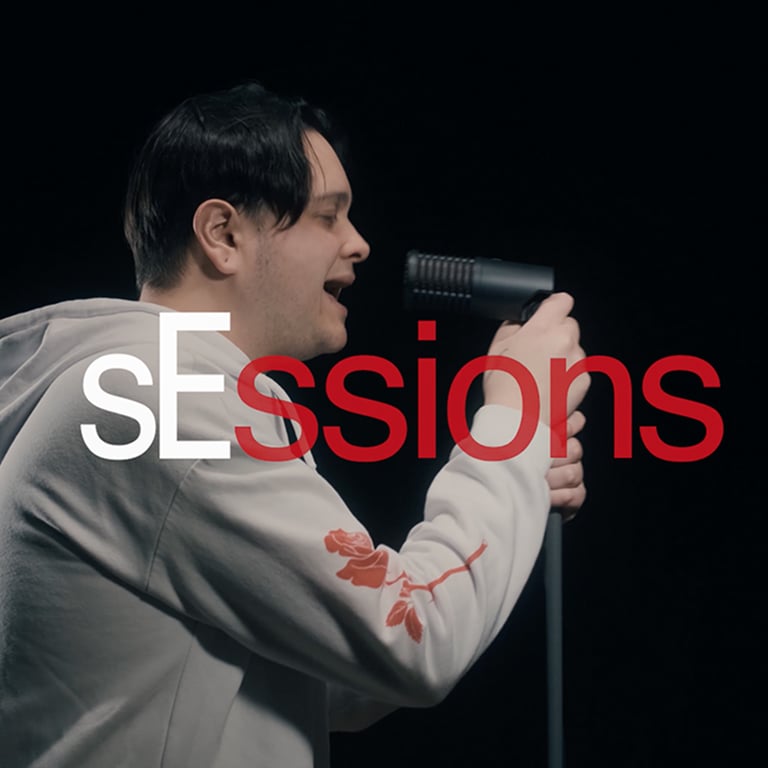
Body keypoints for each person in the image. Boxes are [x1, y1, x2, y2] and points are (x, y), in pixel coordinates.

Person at [0, 81, 589, 767]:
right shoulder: (155, 396)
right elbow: (412, 638)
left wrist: (515, 488)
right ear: (224, 235)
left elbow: (332, 681)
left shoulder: (144, 389)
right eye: (328, 217)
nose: (360, 244)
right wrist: (516, 415)